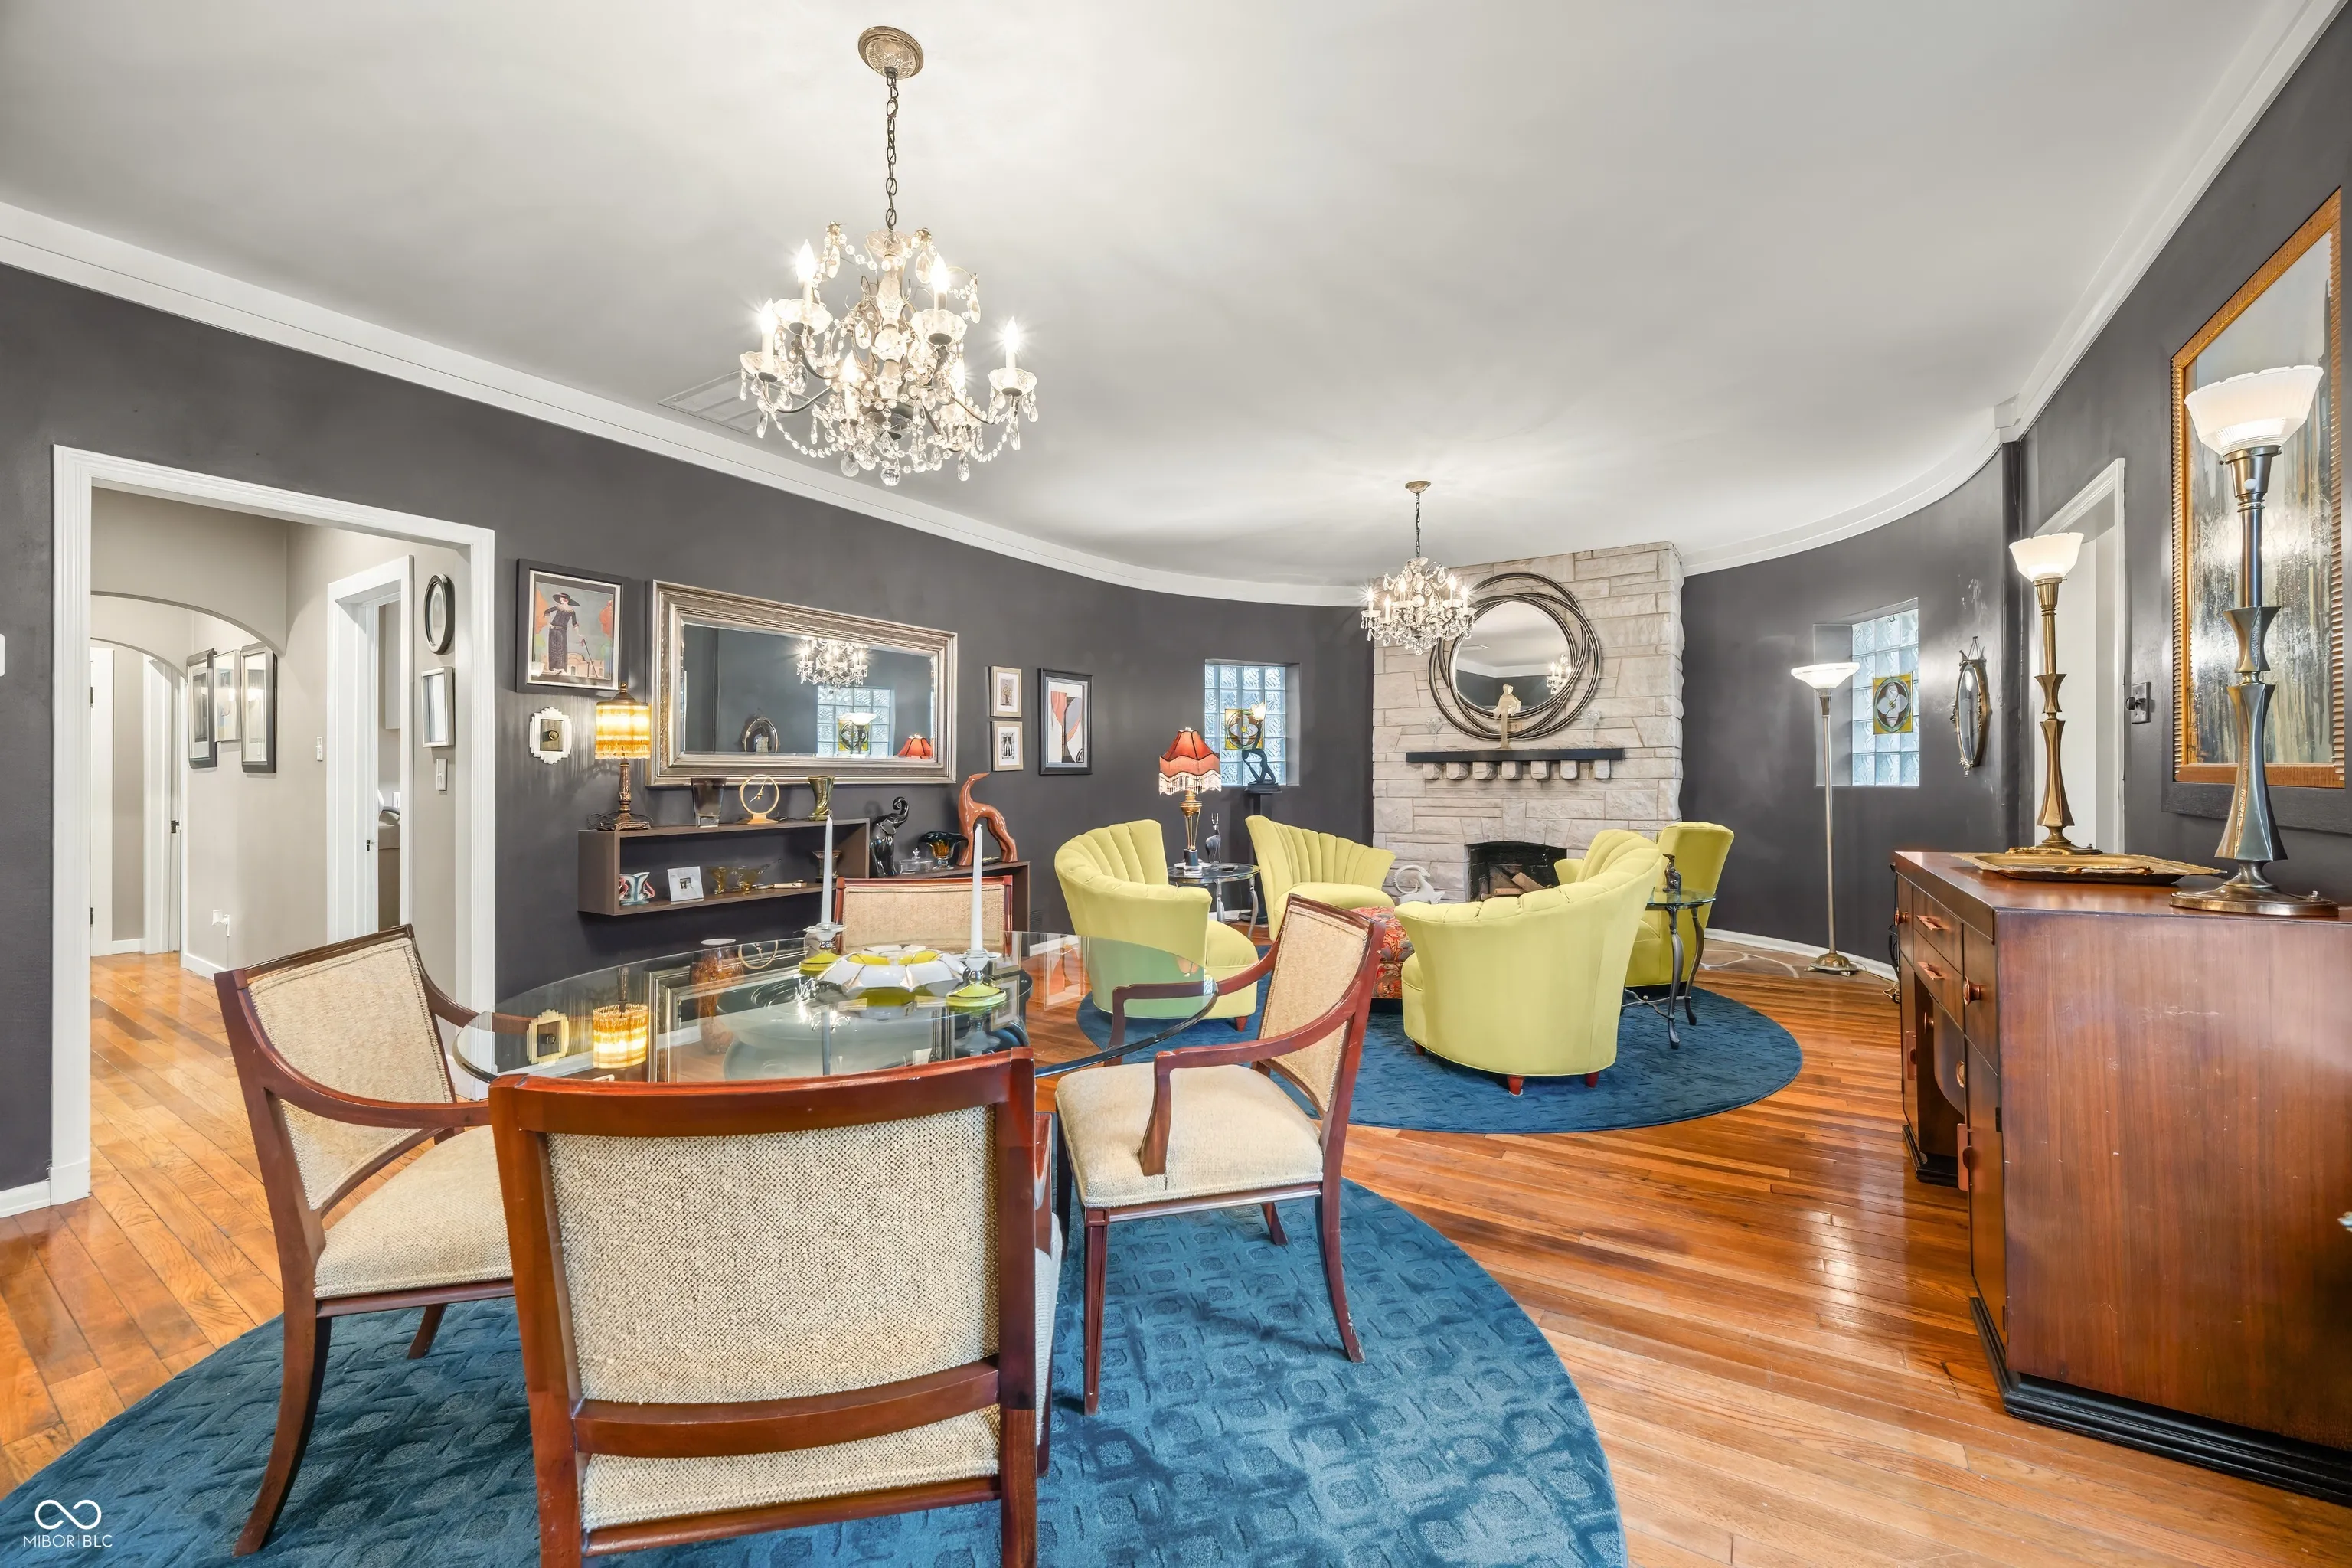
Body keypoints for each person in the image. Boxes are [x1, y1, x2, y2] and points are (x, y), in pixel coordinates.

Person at [541, 591, 578, 677]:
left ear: (567, 601)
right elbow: (547, 612)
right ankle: (553, 667)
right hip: (553, 629)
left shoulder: (572, 612)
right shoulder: (558, 607)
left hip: (562, 631)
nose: (562, 601)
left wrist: (578, 634)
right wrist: (548, 623)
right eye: (561, 600)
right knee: (553, 648)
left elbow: (575, 623)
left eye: (563, 600)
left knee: (561, 648)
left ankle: (561, 668)